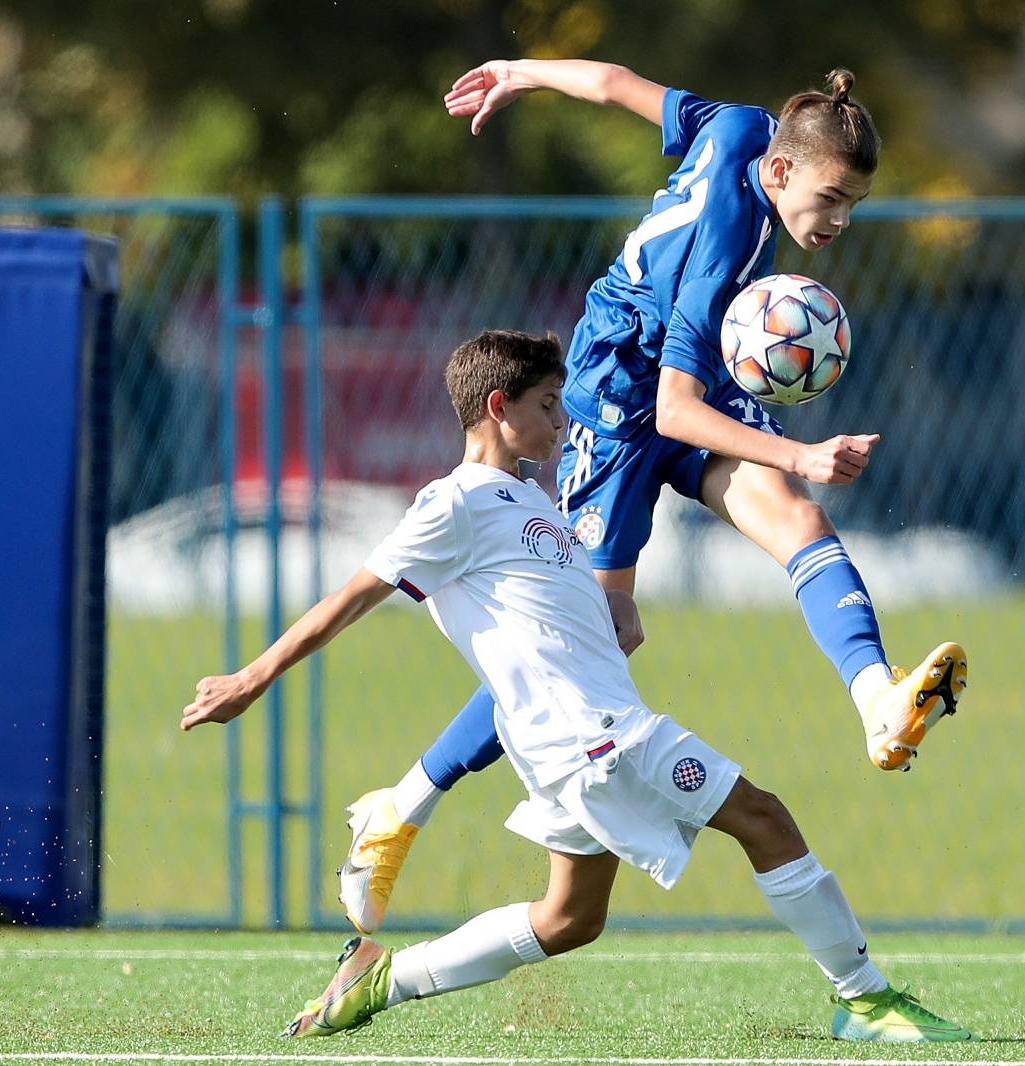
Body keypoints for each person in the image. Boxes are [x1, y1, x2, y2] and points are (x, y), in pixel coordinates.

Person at [180, 331, 971, 1043]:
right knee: (766, 819)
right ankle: (864, 1000)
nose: (564, 422)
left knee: (569, 919)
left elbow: (543, 615)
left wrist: (608, 619)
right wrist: (252, 678)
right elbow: (349, 597)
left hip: (572, 740)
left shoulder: (531, 500)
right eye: (549, 405)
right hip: (596, 736)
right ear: (498, 407)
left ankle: (381, 980)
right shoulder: (451, 502)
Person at [335, 59, 969, 937]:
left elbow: (610, 81)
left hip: (688, 380)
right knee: (597, 639)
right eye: (831, 200)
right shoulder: (724, 241)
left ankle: (878, 702)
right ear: (784, 173)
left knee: (797, 521)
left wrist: (521, 71)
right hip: (617, 407)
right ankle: (399, 806)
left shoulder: (743, 126)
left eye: (853, 205)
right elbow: (675, 409)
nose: (839, 222)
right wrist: (801, 451)